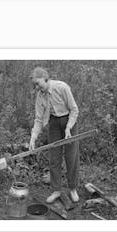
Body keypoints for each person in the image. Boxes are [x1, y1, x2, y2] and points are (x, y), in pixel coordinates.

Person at [29, 67, 80, 203]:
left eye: (38, 83)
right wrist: (33, 138)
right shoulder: (40, 96)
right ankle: (56, 190)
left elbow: (74, 110)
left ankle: (73, 188)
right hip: (54, 123)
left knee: (71, 157)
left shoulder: (62, 87)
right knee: (54, 158)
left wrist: (69, 128)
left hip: (69, 120)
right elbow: (39, 119)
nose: (37, 87)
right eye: (35, 85)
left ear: (45, 79)